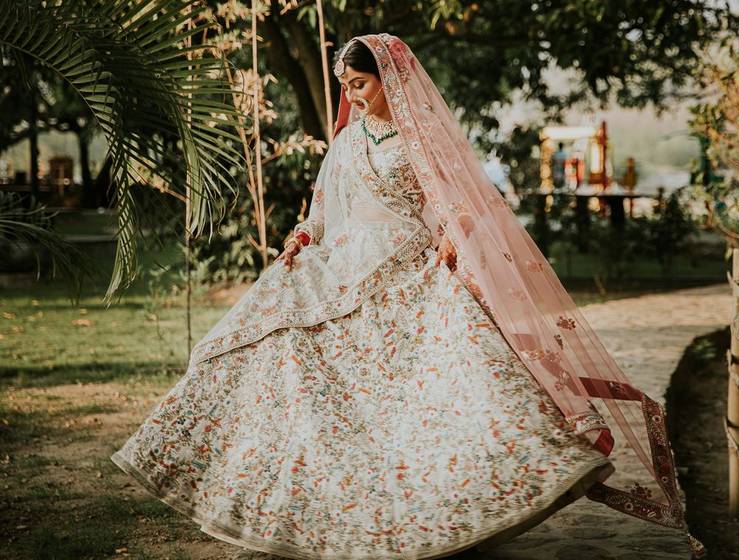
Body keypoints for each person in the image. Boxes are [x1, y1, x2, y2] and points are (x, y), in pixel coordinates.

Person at [111, 34, 703, 559]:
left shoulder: (425, 142)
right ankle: (302, 499)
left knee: (446, 390)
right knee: (266, 349)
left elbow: (461, 204)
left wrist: (450, 238)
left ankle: (444, 506)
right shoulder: (346, 142)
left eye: (361, 83)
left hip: (410, 268)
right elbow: (322, 207)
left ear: (388, 77)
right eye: (347, 85)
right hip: (339, 266)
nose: (355, 95)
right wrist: (301, 235)